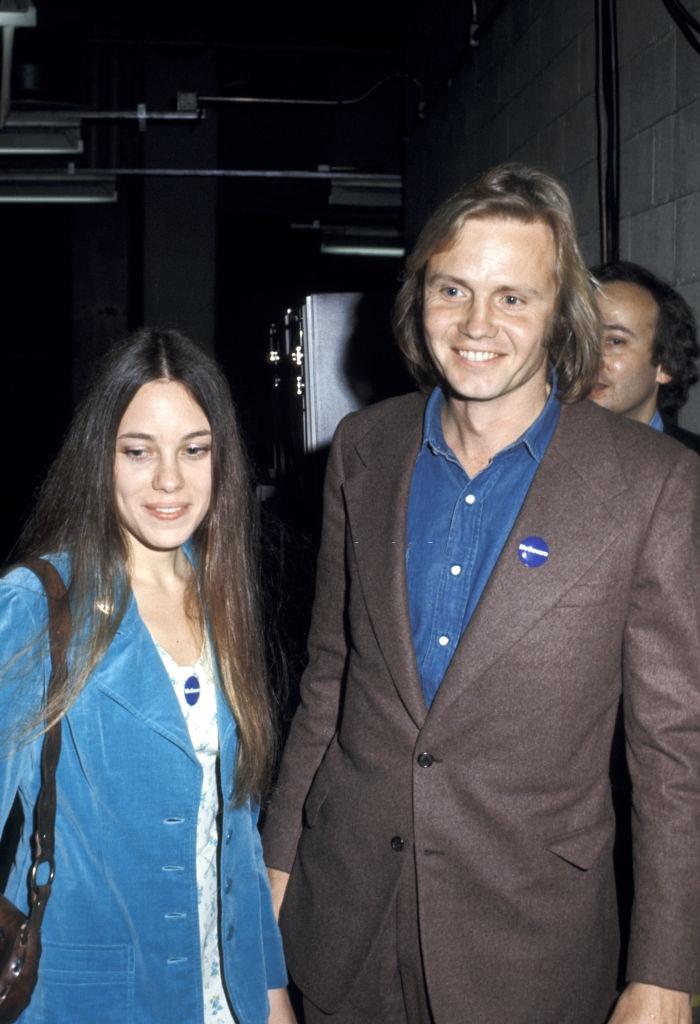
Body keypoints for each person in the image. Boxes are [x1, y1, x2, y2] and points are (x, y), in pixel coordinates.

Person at [262, 164, 700, 1024]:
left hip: (529, 945)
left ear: (559, 315)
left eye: (513, 298)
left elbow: (674, 751)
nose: (476, 326)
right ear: (419, 297)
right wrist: (271, 875)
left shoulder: (653, 483)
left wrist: (667, 967)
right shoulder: (362, 448)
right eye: (453, 289)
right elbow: (330, 681)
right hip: (345, 921)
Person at [0, 329, 296, 1024]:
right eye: (138, 452)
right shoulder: (36, 605)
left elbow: (237, 836)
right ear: (99, 459)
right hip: (86, 1000)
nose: (170, 481)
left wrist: (272, 997)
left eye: (195, 450)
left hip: (223, 1003)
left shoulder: (221, 594)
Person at [590, 260, 700, 452]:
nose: (589, 357)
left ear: (666, 365)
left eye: (616, 341)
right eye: (581, 339)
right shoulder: (537, 457)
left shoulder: (692, 467)